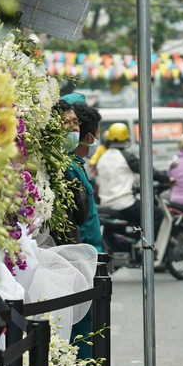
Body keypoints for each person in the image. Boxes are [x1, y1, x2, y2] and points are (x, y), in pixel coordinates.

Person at [56, 97, 103, 251]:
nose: (74, 128)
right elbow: (79, 218)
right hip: (84, 250)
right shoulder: (68, 166)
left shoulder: (76, 165)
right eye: (67, 122)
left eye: (75, 122)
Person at [96, 123, 143, 226]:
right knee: (157, 213)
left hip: (105, 203)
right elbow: (146, 171)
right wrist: (166, 178)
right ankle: (149, 241)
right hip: (124, 203)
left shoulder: (103, 157)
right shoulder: (127, 157)